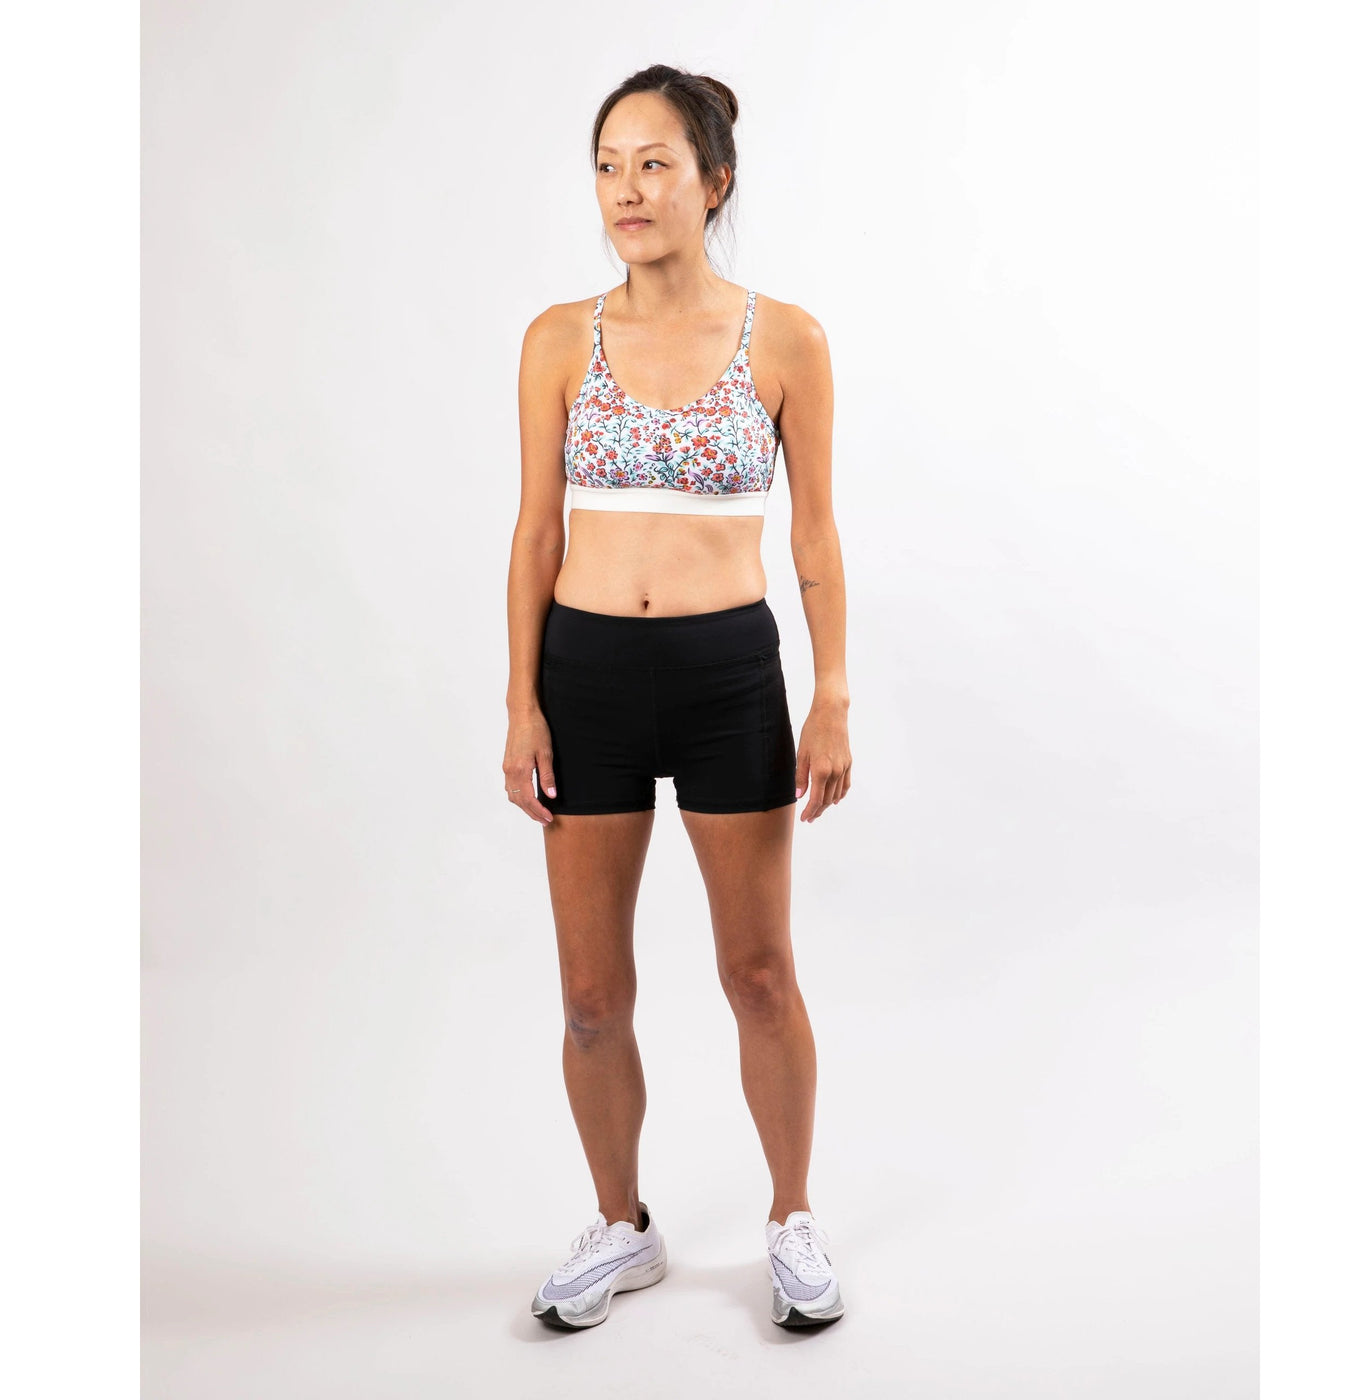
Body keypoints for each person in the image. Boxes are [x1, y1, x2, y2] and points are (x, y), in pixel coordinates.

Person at [503, 64, 852, 1330]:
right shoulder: (558, 339)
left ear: (714, 182)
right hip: (585, 677)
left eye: (654, 163)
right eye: (608, 165)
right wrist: (519, 701)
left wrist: (831, 692)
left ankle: (791, 1217)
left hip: (725, 680)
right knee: (591, 996)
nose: (627, 190)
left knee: (757, 971)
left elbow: (813, 535)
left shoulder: (785, 339)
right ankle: (620, 1225)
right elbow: (535, 534)